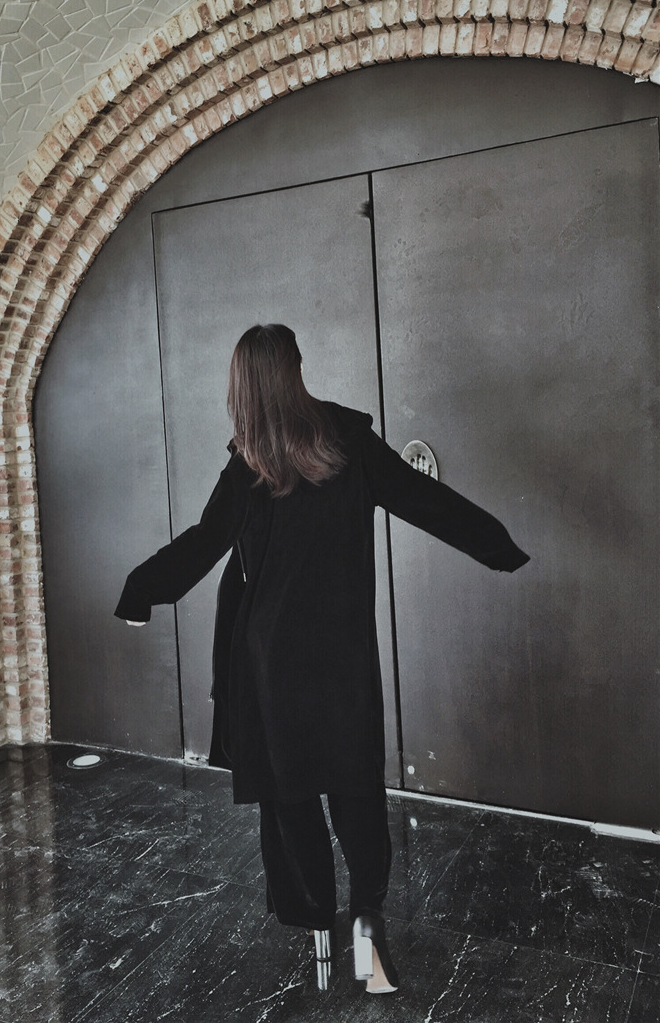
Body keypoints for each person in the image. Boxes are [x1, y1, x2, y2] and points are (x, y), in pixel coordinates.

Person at [115, 323, 529, 994]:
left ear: (241, 385)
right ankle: (367, 918)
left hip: (270, 662)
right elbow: (427, 501)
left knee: (292, 796)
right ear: (297, 368)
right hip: (342, 655)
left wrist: (140, 592)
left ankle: (316, 929)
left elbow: (202, 543)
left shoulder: (248, 463)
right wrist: (497, 547)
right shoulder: (349, 443)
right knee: (355, 785)